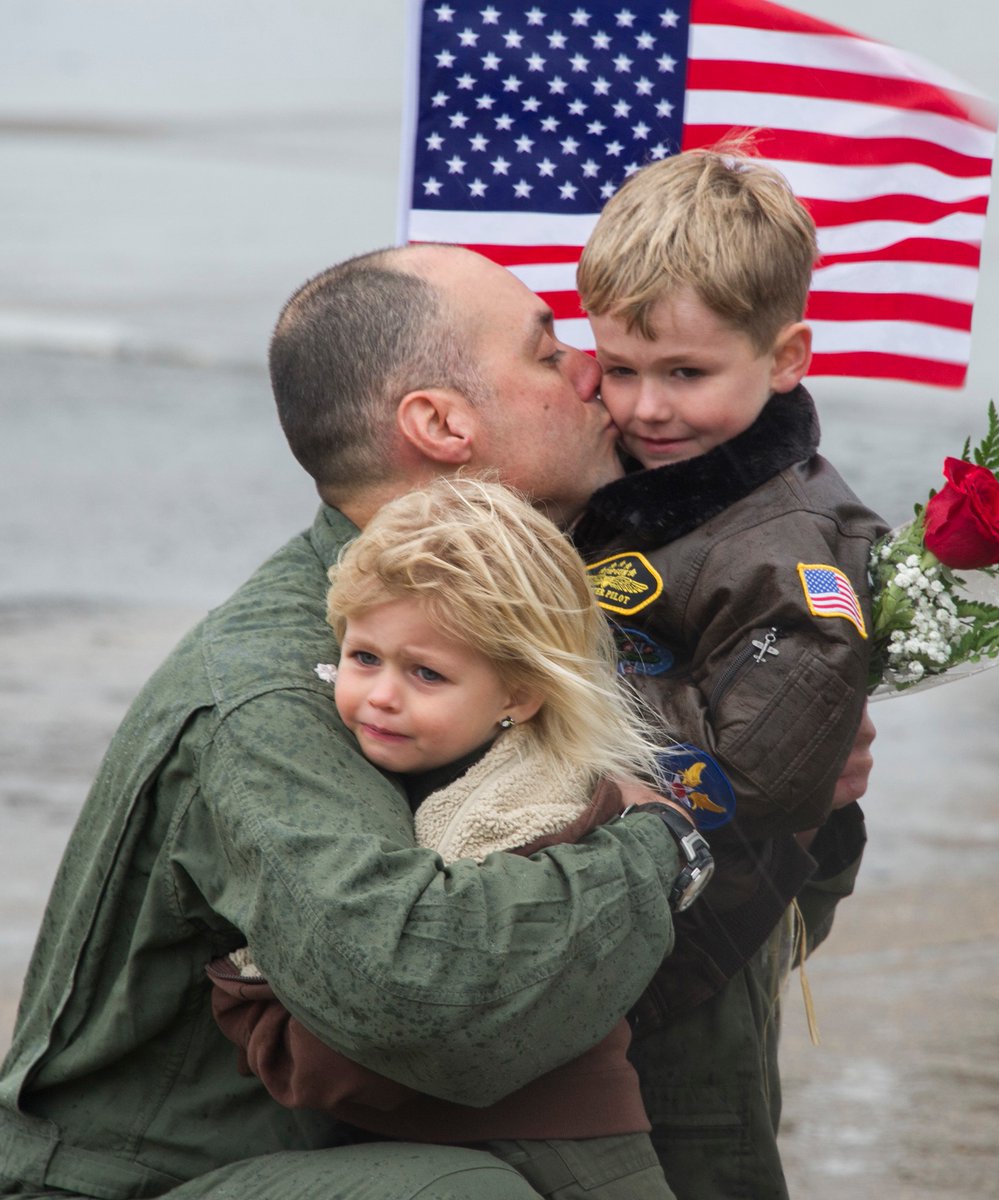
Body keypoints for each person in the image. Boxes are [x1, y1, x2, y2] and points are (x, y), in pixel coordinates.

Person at [0, 242, 871, 1199]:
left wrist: (796, 805)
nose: (598, 372)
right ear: (441, 424)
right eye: (548, 354)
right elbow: (420, 999)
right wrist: (674, 835)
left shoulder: (539, 623)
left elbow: (694, 962)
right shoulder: (282, 685)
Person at [208, 474, 687, 1198]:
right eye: (363, 657)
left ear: (520, 694)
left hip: (558, 1156)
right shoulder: (423, 767)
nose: (381, 696)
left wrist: (256, 1010)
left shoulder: (529, 811)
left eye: (426, 674)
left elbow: (383, 1036)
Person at [570, 146, 889, 1197]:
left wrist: (551, 663)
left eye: (686, 374)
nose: (647, 409)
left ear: (785, 354)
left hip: (714, 935)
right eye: (620, 369)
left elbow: (760, 776)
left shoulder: (795, 546)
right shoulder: (642, 483)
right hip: (623, 902)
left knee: (702, 1163)